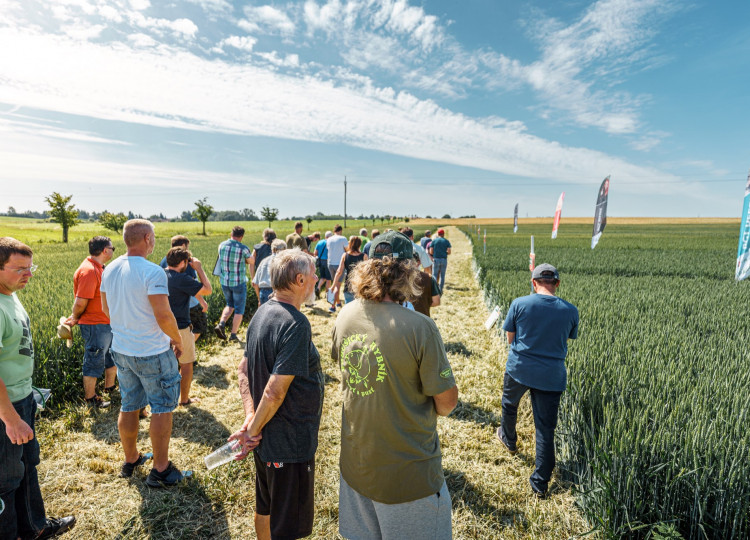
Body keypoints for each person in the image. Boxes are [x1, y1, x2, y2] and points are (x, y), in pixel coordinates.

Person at [331, 231, 458, 540]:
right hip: (408, 476)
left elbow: (344, 368)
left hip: (357, 466)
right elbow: (446, 402)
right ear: (409, 271)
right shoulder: (421, 327)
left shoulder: (346, 315)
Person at [229, 249, 324, 540]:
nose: (317, 280)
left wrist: (250, 420)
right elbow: (274, 392)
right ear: (299, 279)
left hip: (267, 440)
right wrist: (251, 430)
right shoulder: (295, 324)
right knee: (287, 526)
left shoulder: (262, 312)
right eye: (313, 275)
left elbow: (243, 369)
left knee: (266, 507)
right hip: (289, 443)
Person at [0, 237, 77, 539]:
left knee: (27, 466)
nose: (28, 275)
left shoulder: (10, 295)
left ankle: (34, 527)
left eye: (31, 268)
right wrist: (10, 418)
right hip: (7, 408)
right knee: (5, 480)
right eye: (20, 269)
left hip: (22, 398)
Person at [101, 219, 186, 487]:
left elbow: (107, 310)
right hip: (152, 350)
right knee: (161, 407)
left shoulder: (110, 269)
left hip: (122, 349)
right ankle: (161, 469)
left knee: (129, 404)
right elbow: (163, 313)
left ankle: (131, 458)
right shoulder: (153, 272)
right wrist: (177, 339)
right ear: (148, 238)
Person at [497, 263, 579, 498]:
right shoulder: (570, 310)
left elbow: (511, 338)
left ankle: (509, 439)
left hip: (519, 368)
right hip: (552, 375)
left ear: (534, 283)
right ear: (557, 284)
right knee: (545, 429)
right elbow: (568, 338)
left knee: (509, 405)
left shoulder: (520, 304)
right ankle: (540, 485)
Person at [65, 235, 117, 409]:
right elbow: (80, 301)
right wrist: (74, 318)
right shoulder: (89, 271)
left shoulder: (99, 268)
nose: (112, 251)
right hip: (95, 324)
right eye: (112, 248)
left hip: (105, 323)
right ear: (105, 250)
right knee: (94, 359)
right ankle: (90, 398)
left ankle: (109, 388)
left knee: (110, 357)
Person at [164, 247, 212, 406]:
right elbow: (207, 290)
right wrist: (199, 268)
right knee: (186, 364)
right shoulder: (181, 278)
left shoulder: (160, 274)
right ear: (183, 262)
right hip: (180, 328)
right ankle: (184, 399)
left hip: (161, 327)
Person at [159, 235, 208, 344]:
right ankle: (187, 349)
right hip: (189, 302)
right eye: (187, 246)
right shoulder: (185, 261)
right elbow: (191, 285)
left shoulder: (165, 260)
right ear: (183, 245)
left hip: (170, 303)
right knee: (200, 325)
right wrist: (202, 301)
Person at [215, 226, 252, 343]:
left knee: (229, 304)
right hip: (238, 282)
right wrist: (244, 260)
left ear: (231, 233)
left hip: (225, 282)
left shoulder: (221, 245)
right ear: (241, 236)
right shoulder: (243, 249)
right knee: (239, 309)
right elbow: (252, 261)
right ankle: (233, 335)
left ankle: (221, 324)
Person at [331, 236, 366, 306]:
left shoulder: (345, 255)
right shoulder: (364, 256)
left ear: (350, 244)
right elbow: (366, 273)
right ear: (359, 245)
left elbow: (339, 272)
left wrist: (333, 285)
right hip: (360, 287)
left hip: (348, 286)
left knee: (348, 308)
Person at [251, 239, 287, 306]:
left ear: (272, 249)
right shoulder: (284, 262)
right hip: (277, 292)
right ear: (284, 249)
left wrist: (259, 298)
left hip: (263, 292)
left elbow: (255, 283)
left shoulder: (264, 261)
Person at [410, 253, 441, 318]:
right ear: (418, 263)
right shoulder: (429, 278)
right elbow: (436, 301)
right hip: (423, 318)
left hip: (403, 321)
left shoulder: (397, 278)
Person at [325, 225, 349, 311]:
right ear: (341, 230)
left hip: (330, 263)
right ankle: (332, 306)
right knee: (337, 286)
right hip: (339, 264)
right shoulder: (343, 238)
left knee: (333, 283)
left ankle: (338, 302)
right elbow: (348, 250)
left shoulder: (329, 239)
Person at [314, 231, 332, 298]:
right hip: (328, 261)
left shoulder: (320, 242)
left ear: (325, 236)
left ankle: (318, 288)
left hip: (321, 262)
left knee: (322, 277)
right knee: (328, 279)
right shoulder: (330, 243)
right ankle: (327, 295)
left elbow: (315, 253)